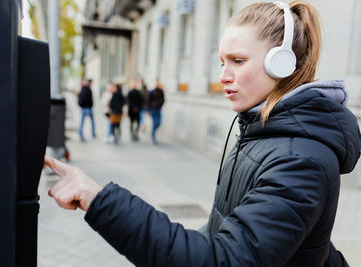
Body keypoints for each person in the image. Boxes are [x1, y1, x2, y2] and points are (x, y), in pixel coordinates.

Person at [44, 1, 361, 266]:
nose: (223, 76)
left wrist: (101, 202)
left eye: (237, 61)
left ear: (282, 64)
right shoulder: (262, 130)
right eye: (222, 61)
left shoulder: (300, 160)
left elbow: (227, 259)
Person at [148, 79, 165, 144]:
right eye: (156, 83)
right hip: (153, 109)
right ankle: (153, 136)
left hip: (158, 109)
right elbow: (148, 101)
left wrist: (161, 105)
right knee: (155, 122)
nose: (157, 84)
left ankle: (152, 132)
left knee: (158, 123)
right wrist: (148, 109)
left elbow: (163, 99)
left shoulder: (161, 91)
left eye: (158, 83)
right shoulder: (151, 92)